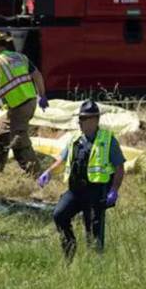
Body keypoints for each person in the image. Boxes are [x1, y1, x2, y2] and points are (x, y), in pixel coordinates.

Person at [37, 100, 125, 260]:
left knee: (93, 233)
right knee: (59, 215)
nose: (80, 122)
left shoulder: (107, 140)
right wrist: (48, 172)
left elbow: (119, 167)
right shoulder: (75, 139)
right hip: (75, 191)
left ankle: (96, 266)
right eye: (79, 119)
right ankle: (69, 249)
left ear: (94, 120)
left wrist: (114, 190)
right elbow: (62, 160)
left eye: (83, 119)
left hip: (95, 193)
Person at [0, 30, 48, 174]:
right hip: (29, 102)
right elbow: (37, 75)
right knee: (1, 131)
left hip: (19, 107)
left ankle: (35, 174)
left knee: (19, 140)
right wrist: (42, 96)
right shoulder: (20, 57)